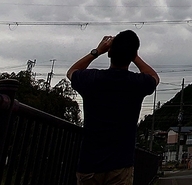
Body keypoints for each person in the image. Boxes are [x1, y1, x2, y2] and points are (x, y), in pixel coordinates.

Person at [66, 31, 159, 185]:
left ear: (109, 53)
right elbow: (154, 77)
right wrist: (133, 55)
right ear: (132, 55)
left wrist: (96, 51)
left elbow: (72, 72)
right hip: (121, 165)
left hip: (89, 163)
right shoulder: (136, 83)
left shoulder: (92, 79)